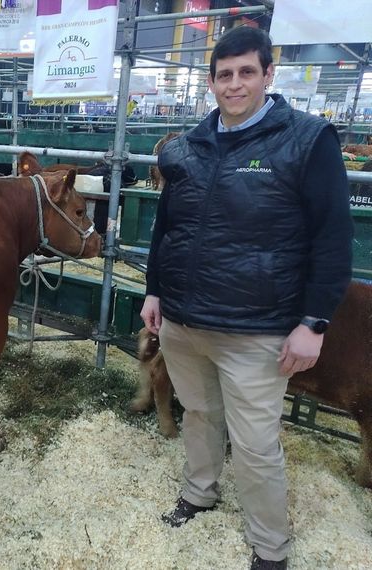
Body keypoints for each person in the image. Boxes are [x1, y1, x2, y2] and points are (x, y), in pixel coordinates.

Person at [140, 26, 352, 570]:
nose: (235, 84)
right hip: (185, 322)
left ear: (267, 75)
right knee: (200, 415)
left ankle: (270, 547)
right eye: (224, 74)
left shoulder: (307, 140)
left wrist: (314, 322)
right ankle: (199, 492)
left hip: (256, 329)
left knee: (257, 445)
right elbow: (167, 227)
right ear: (210, 81)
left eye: (246, 72)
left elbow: (332, 238)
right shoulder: (186, 147)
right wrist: (154, 290)